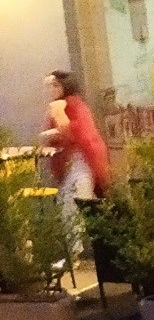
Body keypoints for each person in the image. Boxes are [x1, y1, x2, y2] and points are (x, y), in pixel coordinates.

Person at [39, 70, 111, 257]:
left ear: (65, 85)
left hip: (83, 162)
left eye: (55, 85)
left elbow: (78, 132)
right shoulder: (62, 105)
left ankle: (82, 254)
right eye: (50, 85)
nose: (51, 89)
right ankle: (76, 254)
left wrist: (58, 115)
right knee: (68, 207)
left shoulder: (72, 104)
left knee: (77, 206)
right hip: (71, 163)